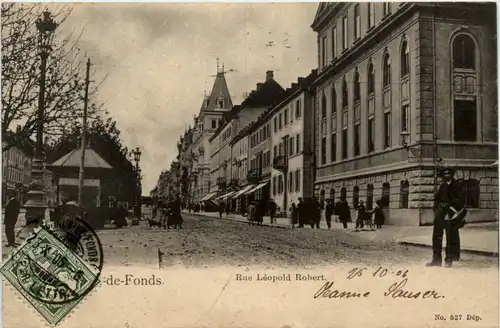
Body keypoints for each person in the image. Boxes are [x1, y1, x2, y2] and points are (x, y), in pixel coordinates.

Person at [427, 167, 465, 268]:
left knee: (450, 238)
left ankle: (449, 260)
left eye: (448, 173)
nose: (446, 175)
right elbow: (437, 199)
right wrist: (437, 209)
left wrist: (450, 204)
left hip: (451, 214)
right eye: (445, 173)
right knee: (436, 237)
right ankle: (436, 259)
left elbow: (461, 200)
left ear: (452, 175)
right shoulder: (442, 186)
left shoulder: (457, 186)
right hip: (441, 214)